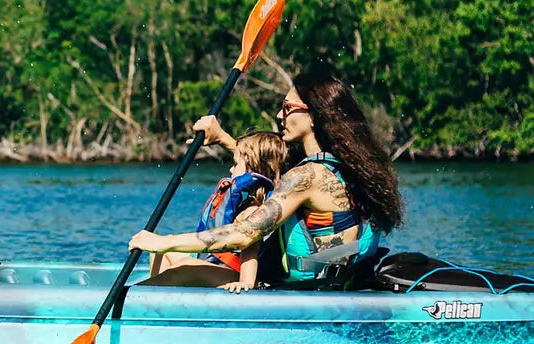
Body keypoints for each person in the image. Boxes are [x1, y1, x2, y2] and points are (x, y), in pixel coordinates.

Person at [131, 71, 404, 288]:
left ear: (313, 116)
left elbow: (244, 234)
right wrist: (223, 138)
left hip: (308, 291)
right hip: (336, 281)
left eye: (287, 107)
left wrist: (163, 240)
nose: (279, 115)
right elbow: (269, 168)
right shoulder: (347, 166)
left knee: (179, 269)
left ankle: (131, 313)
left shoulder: (306, 176)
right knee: (173, 259)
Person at [146, 128, 288, 292]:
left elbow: (251, 250)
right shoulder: (246, 201)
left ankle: (139, 297)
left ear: (253, 168)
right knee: (158, 250)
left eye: (235, 164)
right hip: (225, 266)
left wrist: (245, 283)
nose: (231, 170)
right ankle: (158, 295)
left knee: (185, 266)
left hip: (245, 277)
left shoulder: (255, 210)